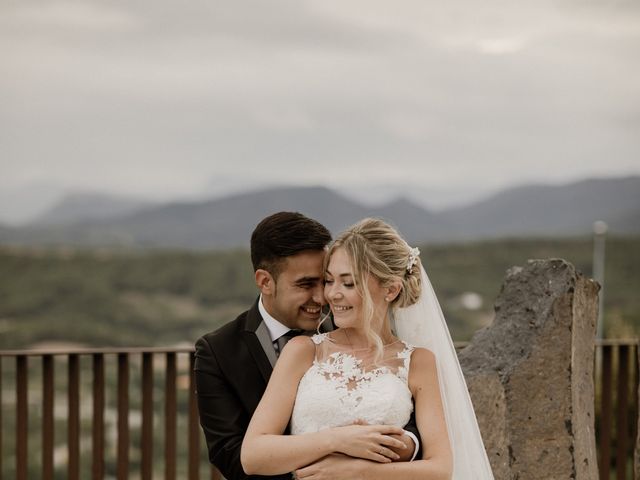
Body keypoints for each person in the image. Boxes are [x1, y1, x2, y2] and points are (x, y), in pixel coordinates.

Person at [241, 218, 495, 479]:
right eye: (329, 281)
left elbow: (440, 468)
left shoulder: (418, 362)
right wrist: (338, 440)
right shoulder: (303, 351)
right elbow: (253, 455)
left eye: (348, 283)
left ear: (391, 289)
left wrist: (360, 471)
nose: (332, 294)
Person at [194, 212, 420, 480]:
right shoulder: (217, 351)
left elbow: (406, 412)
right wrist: (328, 466)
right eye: (306, 284)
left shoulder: (351, 320)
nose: (323, 296)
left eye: (324, 280)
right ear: (265, 282)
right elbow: (230, 454)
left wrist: (389, 453)